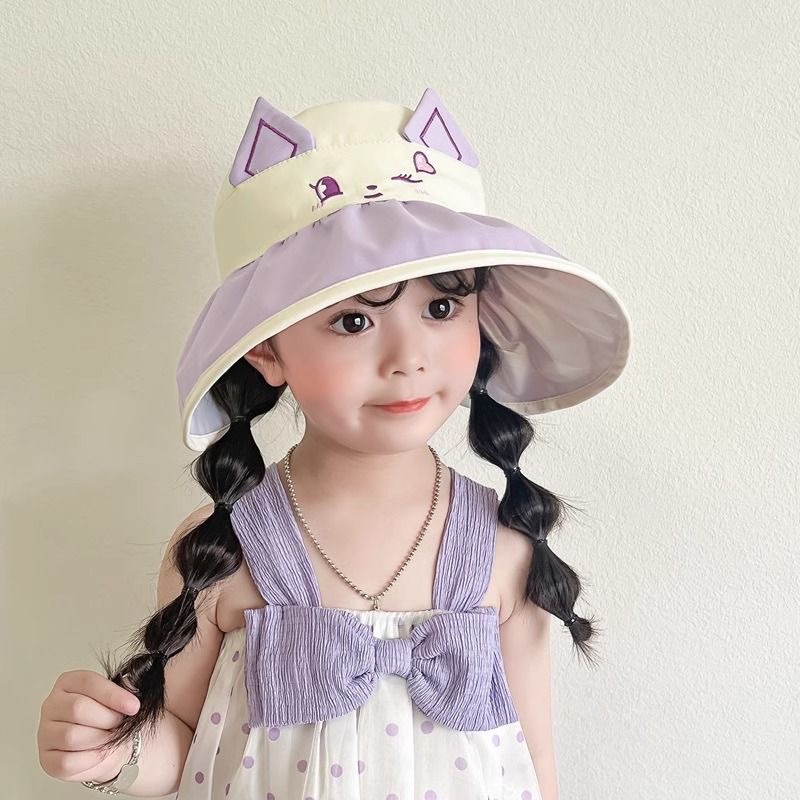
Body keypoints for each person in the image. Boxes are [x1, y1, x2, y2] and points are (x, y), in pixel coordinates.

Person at [37, 88, 631, 799]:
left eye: (442, 306)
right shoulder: (221, 550)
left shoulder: (507, 549)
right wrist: (112, 750)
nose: (408, 358)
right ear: (265, 348)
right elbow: (183, 747)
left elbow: (535, 766)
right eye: (353, 321)